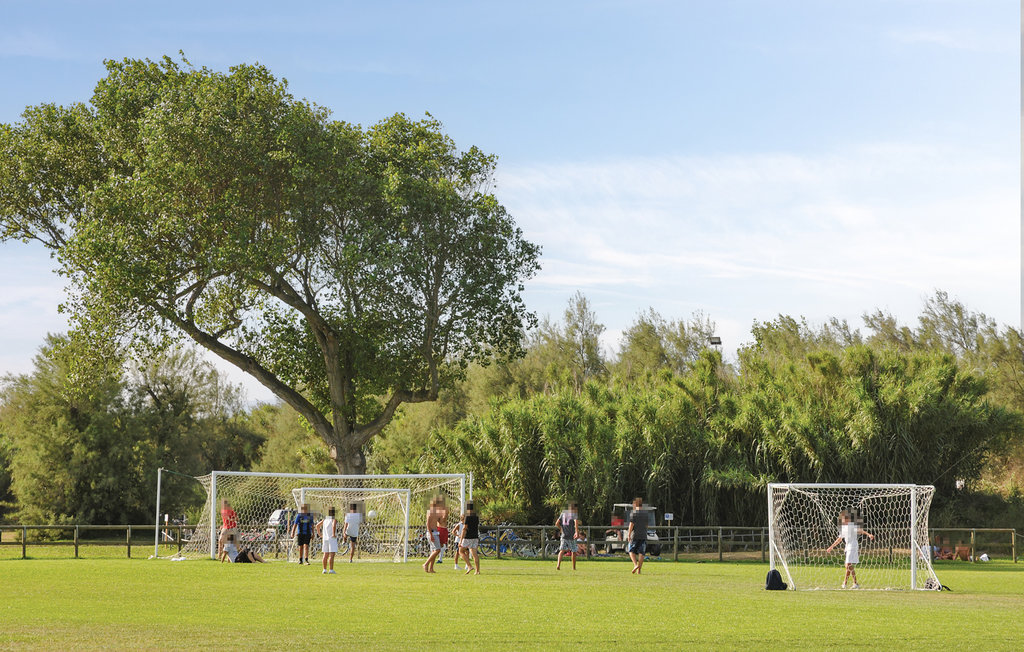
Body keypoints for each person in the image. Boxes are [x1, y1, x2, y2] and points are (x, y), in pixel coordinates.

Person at [825, 510, 875, 589]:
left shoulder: (852, 526)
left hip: (853, 546)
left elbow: (860, 531)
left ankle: (845, 583)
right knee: (848, 566)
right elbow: (840, 539)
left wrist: (869, 534)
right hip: (847, 547)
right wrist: (831, 547)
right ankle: (855, 583)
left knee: (848, 564)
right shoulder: (843, 528)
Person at [555, 502, 581, 570]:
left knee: (562, 550)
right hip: (572, 535)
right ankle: (574, 567)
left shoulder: (563, 513)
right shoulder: (574, 514)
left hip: (564, 535)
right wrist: (577, 532)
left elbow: (557, 523)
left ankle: (558, 565)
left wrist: (561, 529)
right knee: (574, 551)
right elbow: (576, 522)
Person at [626, 497, 649, 574]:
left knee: (631, 550)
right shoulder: (646, 514)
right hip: (643, 535)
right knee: (641, 553)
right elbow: (646, 525)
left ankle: (635, 565)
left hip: (635, 535)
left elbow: (631, 525)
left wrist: (629, 535)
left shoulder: (634, 513)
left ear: (636, 504)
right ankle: (639, 570)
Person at [458, 501, 480, 575]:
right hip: (475, 537)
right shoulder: (476, 517)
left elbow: (464, 528)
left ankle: (469, 566)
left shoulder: (467, 517)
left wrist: (461, 540)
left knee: (460, 551)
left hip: (468, 537)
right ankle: (477, 570)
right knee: (474, 554)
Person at [422, 497, 443, 573]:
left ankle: (431, 568)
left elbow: (439, 522)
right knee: (438, 550)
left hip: (435, 532)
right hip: (432, 532)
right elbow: (427, 523)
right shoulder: (430, 512)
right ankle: (426, 564)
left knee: (434, 551)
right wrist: (430, 534)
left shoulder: (436, 512)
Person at [316, 506, 339, 574]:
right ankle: (331, 569)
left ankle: (324, 569)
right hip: (331, 538)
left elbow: (317, 526)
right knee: (332, 555)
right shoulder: (333, 519)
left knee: (325, 554)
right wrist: (334, 534)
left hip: (325, 538)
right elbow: (333, 525)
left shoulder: (325, 519)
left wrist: (320, 534)